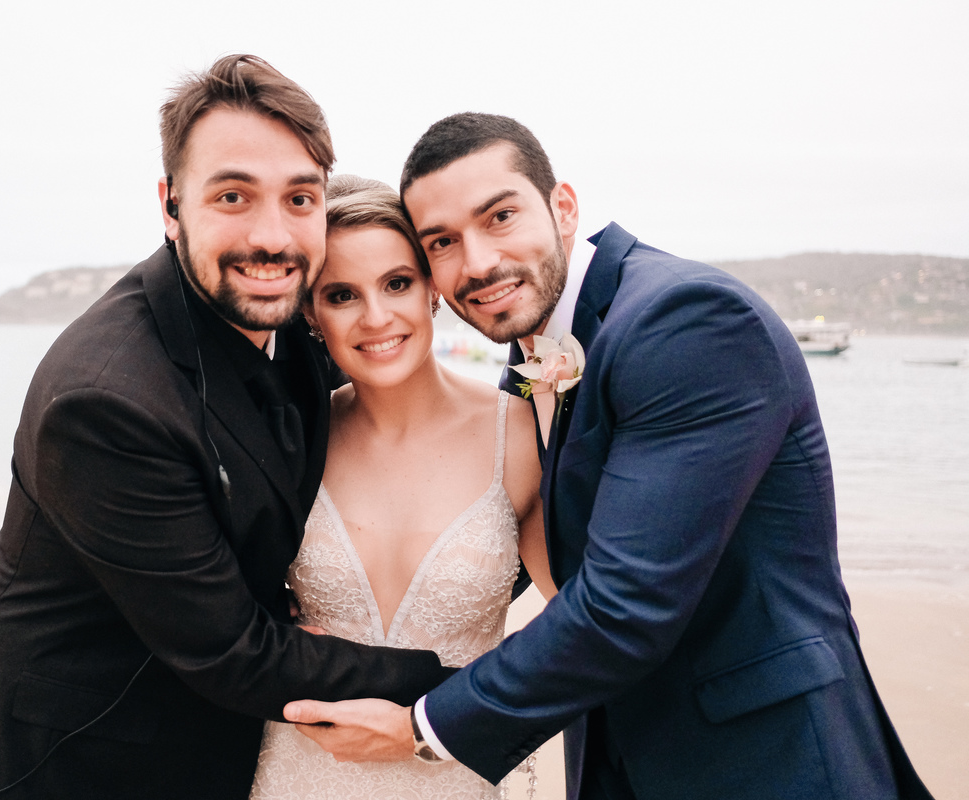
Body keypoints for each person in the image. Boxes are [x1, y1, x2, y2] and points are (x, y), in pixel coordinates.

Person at [284, 113, 935, 800]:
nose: (476, 262)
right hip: (621, 754)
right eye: (443, 241)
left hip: (760, 760)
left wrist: (423, 726)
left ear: (563, 207)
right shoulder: (533, 352)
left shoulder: (686, 320)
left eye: (500, 217)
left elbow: (623, 603)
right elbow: (495, 550)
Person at [0, 56, 453, 800]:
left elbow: (395, 381)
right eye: (233, 196)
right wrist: (474, 681)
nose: (272, 236)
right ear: (171, 206)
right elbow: (236, 653)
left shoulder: (281, 317)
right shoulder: (106, 401)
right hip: (71, 757)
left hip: (212, 735)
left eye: (299, 198)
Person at [247, 175, 557, 799]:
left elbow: (584, 621)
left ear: (433, 291)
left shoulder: (520, 435)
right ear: (308, 312)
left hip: (451, 774)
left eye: (397, 283)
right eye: (341, 294)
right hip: (296, 776)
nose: (377, 317)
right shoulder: (291, 440)